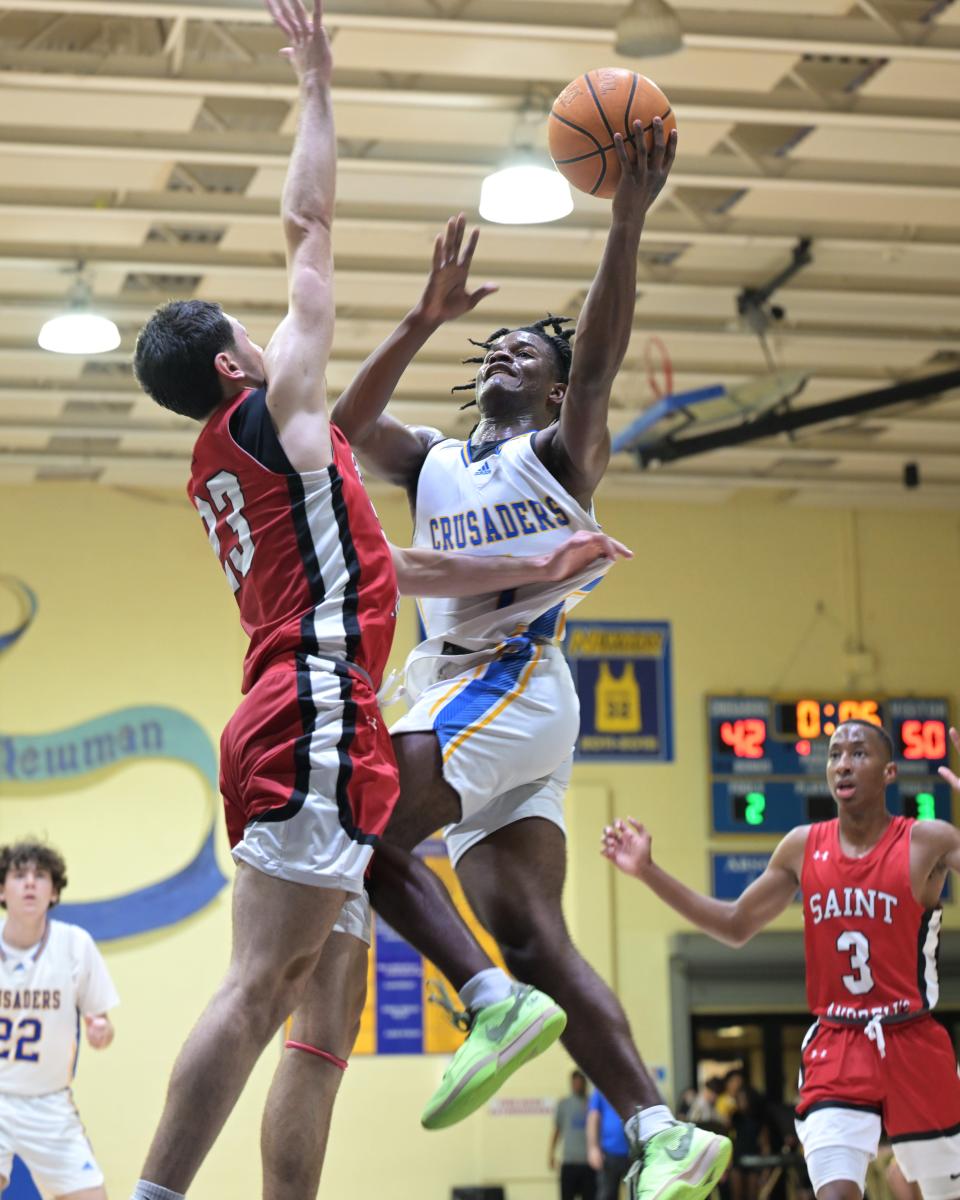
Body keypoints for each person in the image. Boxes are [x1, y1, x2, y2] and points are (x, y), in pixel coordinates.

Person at [129, 2, 629, 1196]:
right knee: (262, 989)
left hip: (287, 704)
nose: (277, 325)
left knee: (300, 1004)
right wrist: (314, 82)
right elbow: (307, 225)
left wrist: (530, 572)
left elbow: (390, 570)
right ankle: (493, 997)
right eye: (258, 331)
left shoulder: (248, 469)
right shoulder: (279, 410)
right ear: (238, 366)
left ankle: (489, 997)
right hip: (312, 710)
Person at [329, 101, 730, 1196]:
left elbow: (599, 359)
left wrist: (627, 223)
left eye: (532, 352)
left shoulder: (562, 451)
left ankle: (487, 1008)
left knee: (357, 829)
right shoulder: (434, 460)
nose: (509, 351)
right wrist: (419, 317)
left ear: (556, 390)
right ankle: (663, 1132)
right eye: (497, 342)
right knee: (532, 934)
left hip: (506, 686)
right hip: (486, 710)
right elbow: (345, 428)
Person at [603, 718, 960, 1200]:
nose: (843, 765)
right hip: (838, 1042)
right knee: (834, 1193)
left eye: (858, 753)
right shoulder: (802, 846)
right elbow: (734, 924)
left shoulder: (927, 840)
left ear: (890, 772)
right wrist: (648, 871)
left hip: (913, 1038)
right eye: (834, 755)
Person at [0, 840, 118, 1200]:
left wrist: (100, 1031)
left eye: (41, 876)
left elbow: (104, 1023)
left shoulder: (75, 945)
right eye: (19, 876)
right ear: (2, 890)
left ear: (54, 891)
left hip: (49, 1103)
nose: (31, 883)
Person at [551, 1070, 595, 1200]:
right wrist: (551, 1154)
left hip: (588, 1164)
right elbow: (557, 1131)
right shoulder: (564, 1104)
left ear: (584, 1084)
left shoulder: (592, 1104)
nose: (577, 1085)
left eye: (580, 1083)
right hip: (569, 1163)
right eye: (575, 1083)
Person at [587, 1089, 631, 1200]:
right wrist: (593, 1148)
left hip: (634, 1153)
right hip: (609, 1153)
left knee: (638, 1194)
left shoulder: (633, 1083)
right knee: (607, 1195)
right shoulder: (602, 1086)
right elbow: (593, 1116)